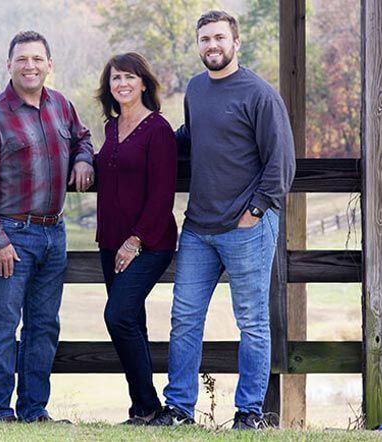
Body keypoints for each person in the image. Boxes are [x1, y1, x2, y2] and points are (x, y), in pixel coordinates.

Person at [149, 10, 295, 429]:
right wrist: (144, 141)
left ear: (235, 42)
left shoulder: (260, 94)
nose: (211, 46)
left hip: (245, 227)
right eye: (205, 40)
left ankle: (249, 413)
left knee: (251, 321)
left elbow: (280, 162)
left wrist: (255, 211)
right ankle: (179, 408)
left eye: (219, 38)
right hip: (198, 228)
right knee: (185, 316)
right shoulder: (196, 90)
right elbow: (189, 140)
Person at [0, 30, 94, 423]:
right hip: (12, 235)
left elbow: (83, 137)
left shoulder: (62, 106)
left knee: (44, 326)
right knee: (3, 326)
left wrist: (84, 159)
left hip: (54, 233)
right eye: (22, 59)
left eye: (38, 59)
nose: (30, 66)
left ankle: (35, 409)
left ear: (49, 65)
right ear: (9, 65)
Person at [94, 52, 177, 425]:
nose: (122, 84)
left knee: (119, 315)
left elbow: (162, 195)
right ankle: (142, 410)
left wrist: (135, 240)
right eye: (115, 79)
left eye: (129, 77)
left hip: (150, 242)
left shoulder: (158, 129)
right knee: (133, 322)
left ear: (144, 82)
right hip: (109, 242)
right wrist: (82, 161)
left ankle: (147, 405)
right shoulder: (112, 128)